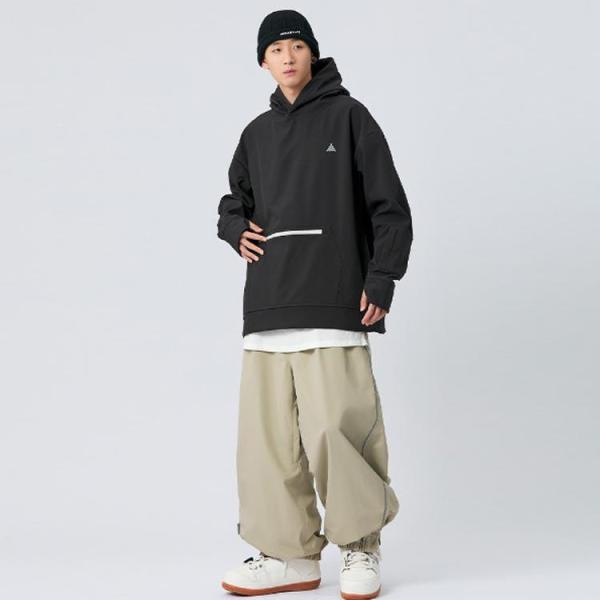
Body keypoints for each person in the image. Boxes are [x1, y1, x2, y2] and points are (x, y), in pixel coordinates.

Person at [217, 9, 413, 599]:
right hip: (269, 306)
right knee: (268, 443)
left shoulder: (349, 117)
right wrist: (233, 227)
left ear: (312, 53)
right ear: (263, 62)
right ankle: (289, 555)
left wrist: (382, 277)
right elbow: (233, 201)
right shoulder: (255, 134)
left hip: (333, 301)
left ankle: (359, 546)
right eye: (276, 49)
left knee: (336, 431)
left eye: (297, 46)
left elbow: (389, 206)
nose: (288, 57)